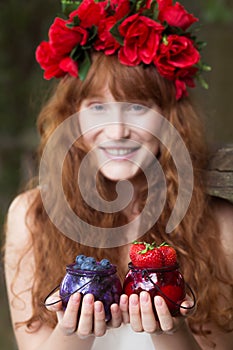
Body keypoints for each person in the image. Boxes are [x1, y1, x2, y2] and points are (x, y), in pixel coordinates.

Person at [3, 0, 233, 349]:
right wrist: (72, 332)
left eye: (138, 107)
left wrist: (170, 330)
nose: (117, 131)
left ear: (170, 118)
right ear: (73, 115)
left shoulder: (220, 222)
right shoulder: (31, 216)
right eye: (97, 107)